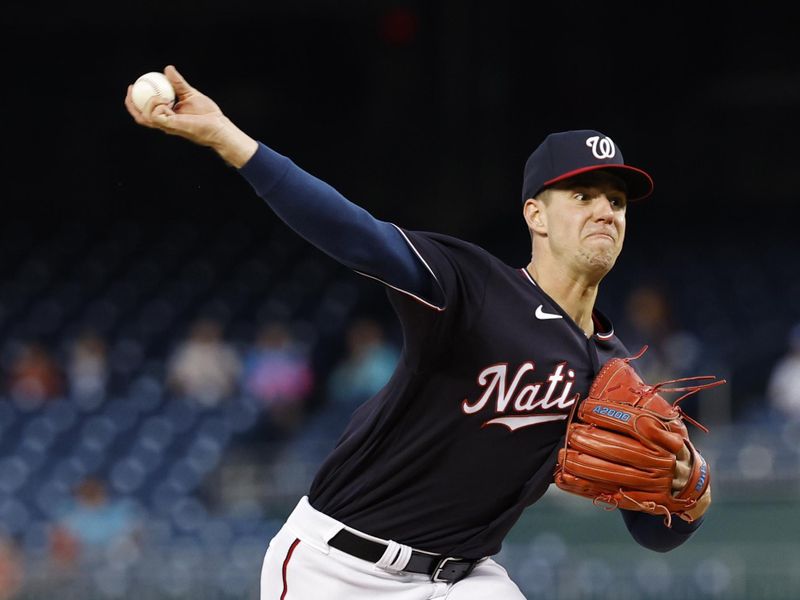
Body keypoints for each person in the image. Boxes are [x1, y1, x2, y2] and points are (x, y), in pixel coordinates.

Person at [126, 66, 711, 599]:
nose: (605, 211)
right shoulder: (473, 286)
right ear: (535, 215)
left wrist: (688, 493)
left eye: (616, 200)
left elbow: (654, 533)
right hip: (339, 567)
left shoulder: (610, 373)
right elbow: (355, 234)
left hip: (464, 579)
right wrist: (229, 140)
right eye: (581, 196)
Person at [165, 316, 242, 408]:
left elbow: (235, 379)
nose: (206, 332)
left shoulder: (226, 351)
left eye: (210, 329)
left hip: (220, 399)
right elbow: (174, 380)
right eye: (203, 329)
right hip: (189, 399)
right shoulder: (184, 350)